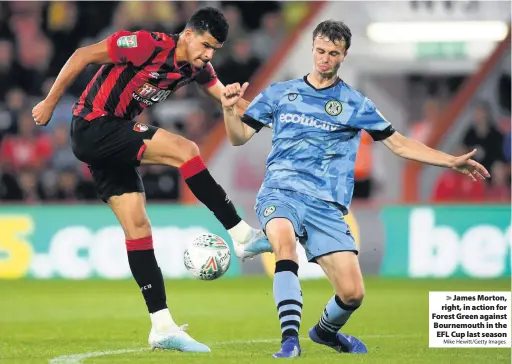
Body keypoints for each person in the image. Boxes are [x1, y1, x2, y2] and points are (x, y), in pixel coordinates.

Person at [221, 20, 490, 358]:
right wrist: (229, 109)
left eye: (333, 53)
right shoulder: (280, 93)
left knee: (352, 294)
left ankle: (323, 332)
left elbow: (401, 145)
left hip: (326, 207)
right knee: (284, 247)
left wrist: (449, 161)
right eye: (320, 51)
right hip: (280, 191)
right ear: (313, 49)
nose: (324, 58)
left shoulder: (355, 104)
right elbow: (237, 137)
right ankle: (289, 340)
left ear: (343, 56)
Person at [32, 7, 269, 353]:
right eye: (205, 46)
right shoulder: (147, 44)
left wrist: (263, 113)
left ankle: (161, 326)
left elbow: (223, 95)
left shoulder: (196, 66)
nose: (208, 55)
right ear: (188, 35)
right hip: (94, 125)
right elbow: (83, 55)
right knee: (185, 149)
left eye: (214, 50)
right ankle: (242, 234)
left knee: (138, 227)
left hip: (110, 142)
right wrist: (50, 102)